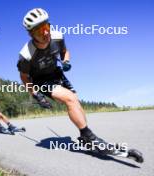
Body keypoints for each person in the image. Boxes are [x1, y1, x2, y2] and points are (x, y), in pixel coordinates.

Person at [17, 8, 112, 152]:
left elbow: (64, 51)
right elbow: (24, 77)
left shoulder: (57, 36)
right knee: (69, 99)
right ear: (31, 34)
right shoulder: (26, 55)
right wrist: (35, 94)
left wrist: (66, 60)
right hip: (41, 81)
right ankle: (88, 135)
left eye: (46, 26)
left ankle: (86, 136)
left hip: (56, 74)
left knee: (75, 100)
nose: (45, 32)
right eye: (39, 30)